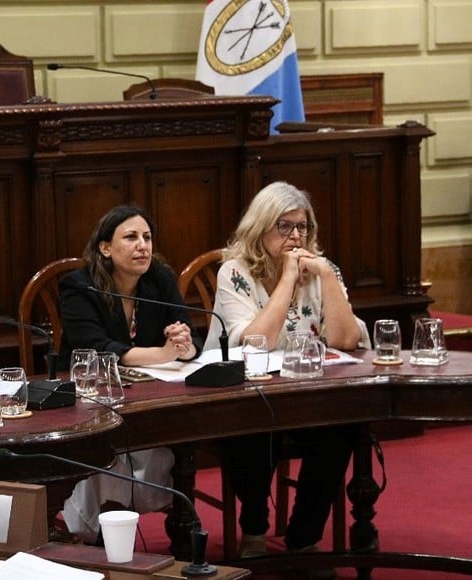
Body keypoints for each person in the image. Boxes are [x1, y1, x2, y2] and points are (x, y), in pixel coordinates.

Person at [205, 181, 370, 571]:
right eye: (284, 226)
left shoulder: (322, 270)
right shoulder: (235, 272)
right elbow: (258, 342)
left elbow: (346, 340)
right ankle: (254, 528)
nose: (296, 236)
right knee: (253, 427)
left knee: (342, 429)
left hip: (306, 396)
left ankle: (304, 537)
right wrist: (286, 279)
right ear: (260, 228)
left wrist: (326, 275)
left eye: (303, 227)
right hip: (244, 396)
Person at [57, 205, 203, 544]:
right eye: (131, 237)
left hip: (148, 399)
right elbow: (95, 347)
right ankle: (99, 533)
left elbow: (191, 334)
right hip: (88, 401)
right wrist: (162, 354)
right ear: (105, 248)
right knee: (107, 448)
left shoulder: (159, 279)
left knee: (171, 434)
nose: (142, 246)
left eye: (147, 237)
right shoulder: (79, 286)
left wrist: (183, 345)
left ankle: (167, 528)